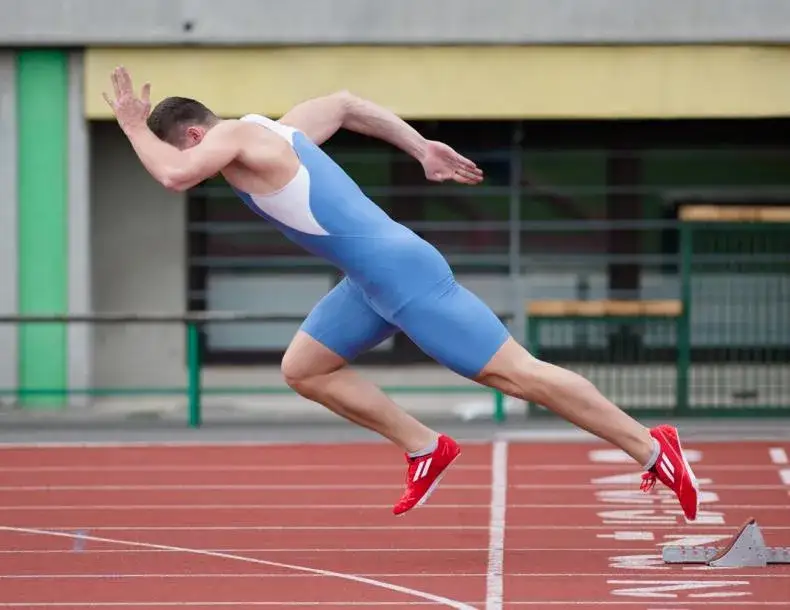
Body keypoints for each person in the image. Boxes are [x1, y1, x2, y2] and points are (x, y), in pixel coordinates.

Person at [103, 66, 700, 520]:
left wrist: (131, 124)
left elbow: (175, 174)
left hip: (403, 276)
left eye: (182, 148)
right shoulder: (276, 130)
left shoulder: (234, 137)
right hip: (369, 283)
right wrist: (420, 148)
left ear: (194, 133)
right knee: (305, 368)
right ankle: (424, 447)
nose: (195, 165)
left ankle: (653, 447)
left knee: (519, 375)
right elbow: (344, 103)